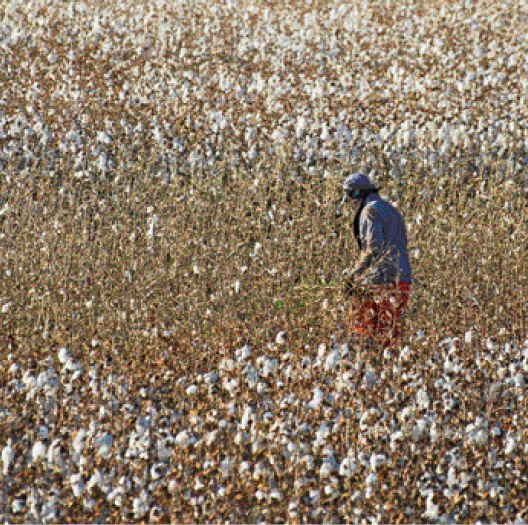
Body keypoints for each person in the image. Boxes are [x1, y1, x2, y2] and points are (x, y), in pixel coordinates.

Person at [336, 173, 412, 351]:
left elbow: (373, 248)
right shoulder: (392, 210)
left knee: (363, 331)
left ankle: (366, 369)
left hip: (379, 281)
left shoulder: (369, 211)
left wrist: (353, 276)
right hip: (402, 280)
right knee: (389, 334)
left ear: (355, 195)